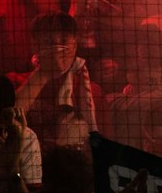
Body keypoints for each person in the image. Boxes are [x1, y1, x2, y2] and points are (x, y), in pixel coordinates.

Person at [15, 12, 99, 152]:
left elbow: (101, 140)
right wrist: (44, 73)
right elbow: (10, 118)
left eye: (64, 41)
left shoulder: (90, 91)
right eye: (49, 43)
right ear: (35, 46)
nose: (58, 48)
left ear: (75, 45)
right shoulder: (17, 83)